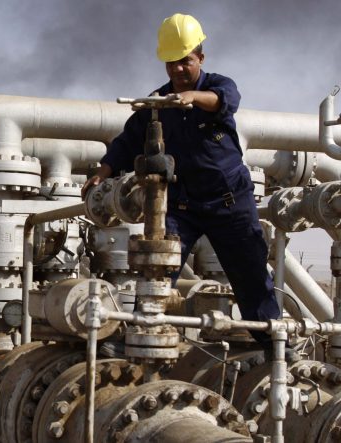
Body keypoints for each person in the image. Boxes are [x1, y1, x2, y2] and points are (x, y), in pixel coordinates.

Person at [83, 13, 285, 358]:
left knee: (252, 278)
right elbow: (127, 140)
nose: (177, 69)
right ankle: (136, 338)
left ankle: (276, 349)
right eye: (170, 63)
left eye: (185, 62)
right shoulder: (157, 104)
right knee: (156, 271)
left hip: (229, 204)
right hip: (182, 207)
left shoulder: (219, 86)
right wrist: (102, 173)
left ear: (200, 59)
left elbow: (224, 102)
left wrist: (193, 96)